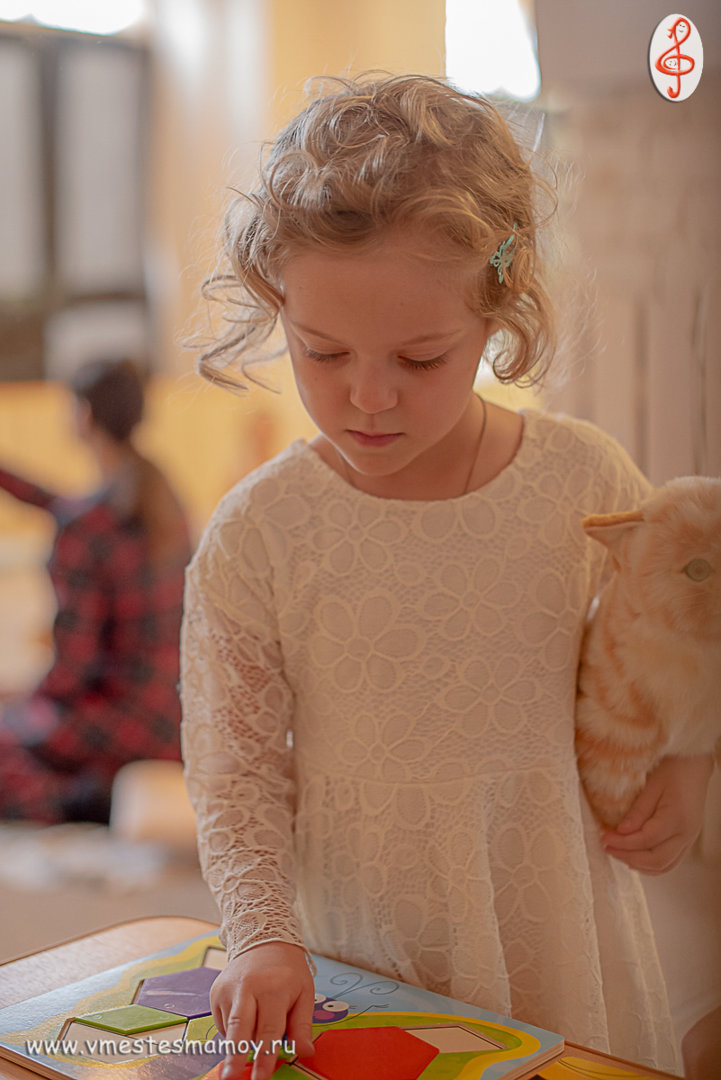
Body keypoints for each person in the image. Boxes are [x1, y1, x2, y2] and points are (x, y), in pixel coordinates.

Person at [180, 74, 712, 1080]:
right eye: (322, 352)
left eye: (420, 359)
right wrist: (259, 935)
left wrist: (690, 762)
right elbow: (235, 771)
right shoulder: (258, 535)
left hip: (559, 935)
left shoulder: (582, 480)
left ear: (497, 312)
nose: (368, 397)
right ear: (277, 308)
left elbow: (691, 630)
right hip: (363, 953)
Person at [0, 358, 192, 824]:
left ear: (83, 414)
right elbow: (67, 507)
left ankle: (80, 801)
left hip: (117, 721)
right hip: (176, 720)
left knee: (10, 731)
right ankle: (94, 786)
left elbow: (72, 669)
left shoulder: (84, 527)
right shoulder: (165, 500)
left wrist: (27, 703)